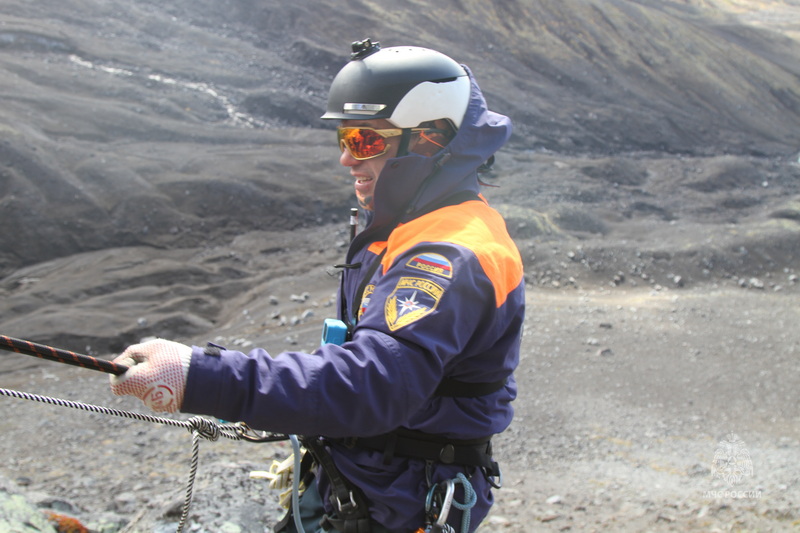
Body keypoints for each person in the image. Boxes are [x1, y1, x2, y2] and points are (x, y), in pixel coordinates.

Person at [110, 38, 524, 533]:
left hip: (401, 502)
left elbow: (372, 385)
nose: (347, 159)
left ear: (429, 140)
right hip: (366, 481)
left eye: (365, 141)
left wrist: (202, 378)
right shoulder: (411, 225)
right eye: (344, 139)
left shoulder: (450, 254)